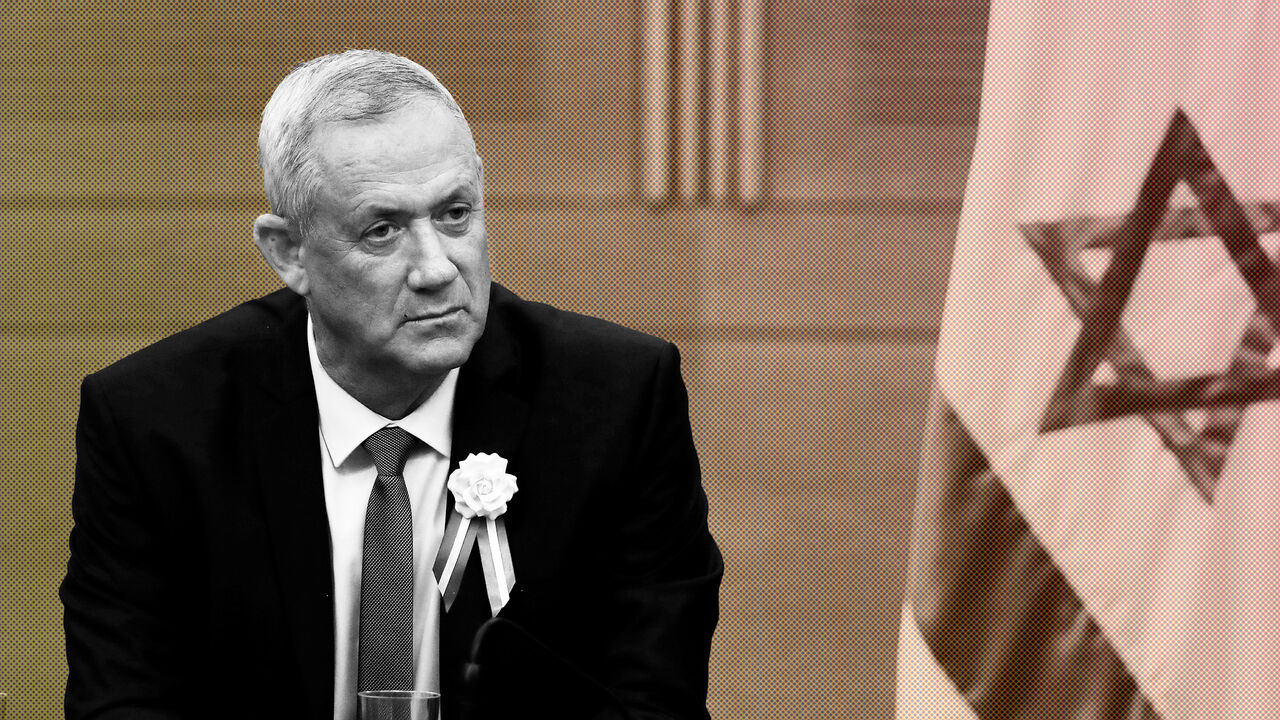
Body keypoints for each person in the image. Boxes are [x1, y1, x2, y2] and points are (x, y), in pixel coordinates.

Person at [60, 50, 722, 720]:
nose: (438, 268)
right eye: (383, 230)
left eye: (456, 214)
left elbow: (652, 701)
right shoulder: (155, 424)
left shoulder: (616, 403)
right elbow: (122, 702)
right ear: (290, 252)